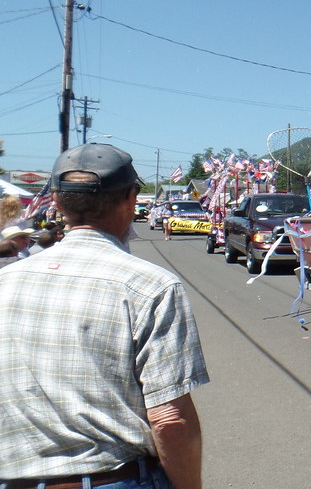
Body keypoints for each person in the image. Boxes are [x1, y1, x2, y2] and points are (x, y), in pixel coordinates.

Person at [0, 143, 209, 489]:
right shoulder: (152, 286)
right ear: (130, 199)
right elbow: (170, 420)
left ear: (56, 201)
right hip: (112, 479)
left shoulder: (5, 280)